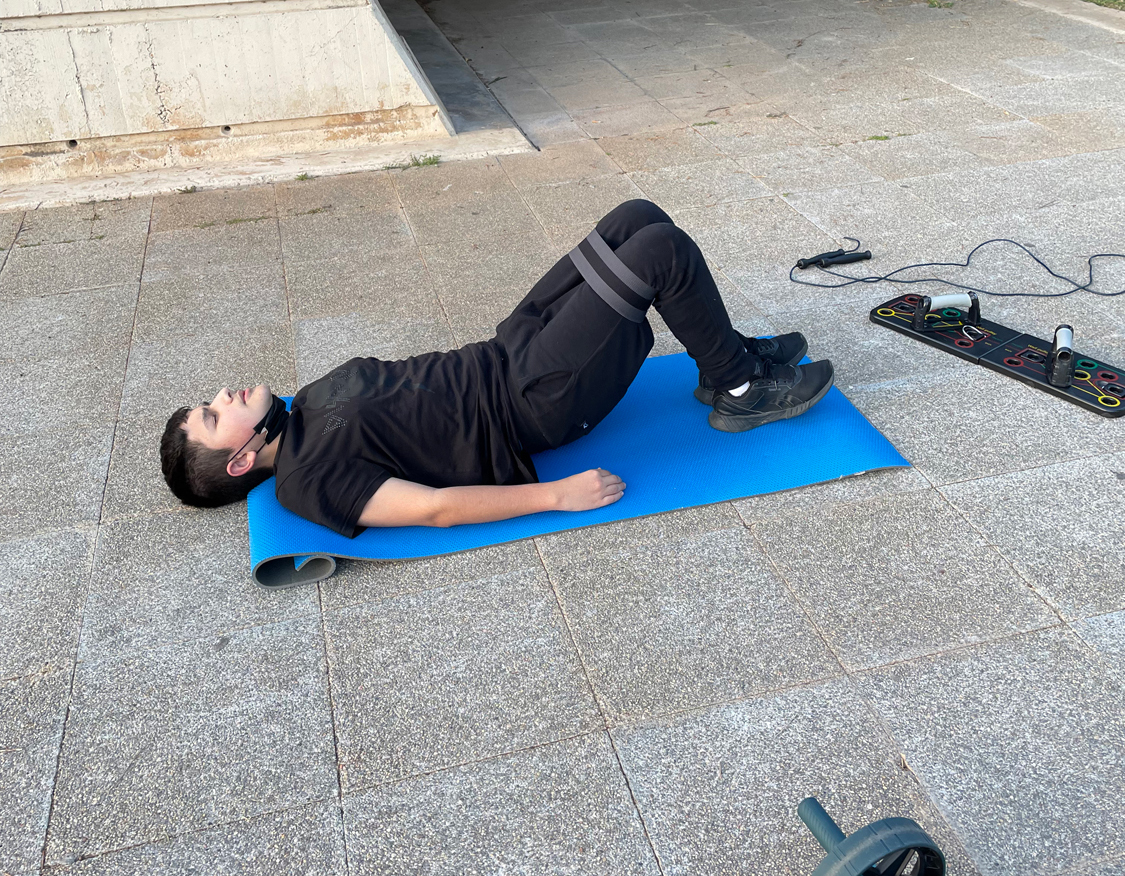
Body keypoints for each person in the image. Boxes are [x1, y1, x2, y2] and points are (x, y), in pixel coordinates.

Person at [160, 200, 833, 537]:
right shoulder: (309, 483)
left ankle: (726, 358)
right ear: (241, 460)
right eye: (213, 414)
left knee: (637, 218)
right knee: (659, 252)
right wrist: (554, 495)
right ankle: (741, 389)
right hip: (532, 401)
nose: (222, 394)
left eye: (209, 399)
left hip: (505, 350)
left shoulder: (303, 406)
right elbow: (432, 509)